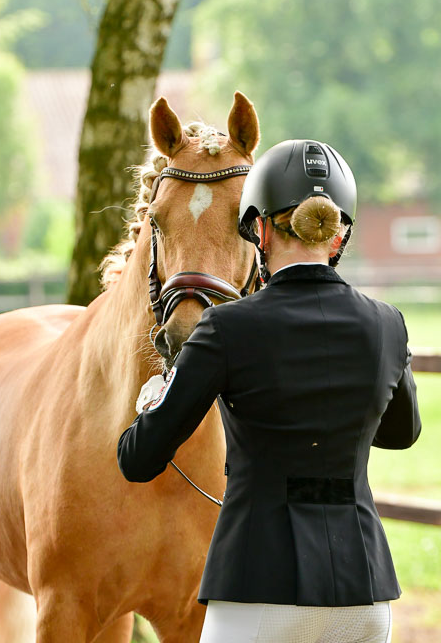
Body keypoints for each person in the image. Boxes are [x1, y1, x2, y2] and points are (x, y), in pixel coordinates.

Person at [118, 139, 421, 643]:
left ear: (258, 229)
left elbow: (139, 459)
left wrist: (156, 399)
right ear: (338, 235)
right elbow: (402, 432)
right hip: (363, 594)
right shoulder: (388, 324)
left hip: (257, 591)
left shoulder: (223, 329)